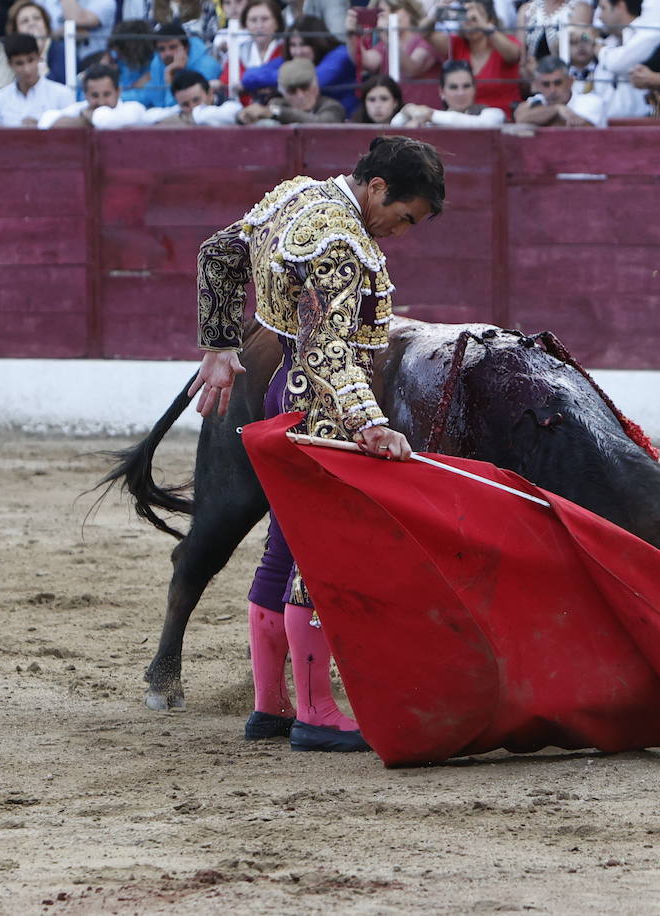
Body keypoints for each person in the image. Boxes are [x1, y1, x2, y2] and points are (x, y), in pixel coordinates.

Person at [190, 135, 445, 752]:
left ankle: (271, 707)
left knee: (283, 547)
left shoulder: (299, 195)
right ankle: (316, 711)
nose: (400, 233)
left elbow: (219, 252)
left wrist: (221, 344)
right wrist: (370, 424)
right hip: (321, 404)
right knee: (318, 558)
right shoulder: (341, 243)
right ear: (377, 188)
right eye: (403, 217)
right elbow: (330, 350)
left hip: (283, 388)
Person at [421, 0, 522, 116]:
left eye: (475, 18)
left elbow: (514, 55)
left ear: (491, 19)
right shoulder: (456, 44)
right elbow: (424, 33)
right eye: (465, 16)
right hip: (463, 120)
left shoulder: (505, 42)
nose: (470, 22)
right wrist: (436, 13)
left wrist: (483, 25)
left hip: (502, 120)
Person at [243, 14, 353, 114]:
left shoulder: (340, 54)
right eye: (293, 45)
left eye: (304, 44)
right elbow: (249, 77)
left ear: (318, 42)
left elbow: (315, 79)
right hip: (303, 119)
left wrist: (280, 82)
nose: (298, 51)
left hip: (342, 120)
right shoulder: (291, 59)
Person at [346, 0, 440, 107]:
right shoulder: (384, 44)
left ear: (409, 10)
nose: (389, 16)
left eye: (393, 10)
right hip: (396, 114)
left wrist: (386, 36)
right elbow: (365, 61)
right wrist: (351, 35)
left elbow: (412, 69)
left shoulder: (426, 39)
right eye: (382, 12)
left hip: (424, 112)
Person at [391, 57, 506, 124]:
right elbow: (395, 124)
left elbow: (483, 124)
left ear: (474, 88)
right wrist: (407, 110)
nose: (460, 93)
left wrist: (429, 114)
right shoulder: (429, 118)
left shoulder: (493, 114)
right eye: (453, 87)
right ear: (441, 92)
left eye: (466, 86)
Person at [0, 32, 73, 124]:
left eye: (31, 60)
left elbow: (70, 135)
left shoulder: (62, 94)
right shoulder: (0, 98)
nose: (27, 69)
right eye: (19, 63)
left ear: (39, 57)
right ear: (10, 64)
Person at [38, 60, 149, 125]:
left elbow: (106, 121)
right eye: (95, 95)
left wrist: (88, 118)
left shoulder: (134, 108)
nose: (101, 102)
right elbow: (46, 121)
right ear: (86, 95)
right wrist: (82, 118)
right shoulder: (82, 108)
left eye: (106, 94)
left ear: (118, 91)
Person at [237, 54, 343, 120]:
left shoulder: (332, 107)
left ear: (315, 86)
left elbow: (320, 124)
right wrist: (245, 116)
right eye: (292, 91)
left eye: (305, 87)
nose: (300, 95)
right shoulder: (277, 104)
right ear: (284, 93)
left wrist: (274, 113)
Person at [594, 0, 654, 118]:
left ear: (620, 6)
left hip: (643, 125)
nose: (599, 16)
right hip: (606, 125)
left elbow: (618, 63)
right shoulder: (607, 42)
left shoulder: (646, 33)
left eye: (603, 8)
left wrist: (597, 49)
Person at [513, 53, 606, 125]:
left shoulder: (592, 101)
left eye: (558, 83)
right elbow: (520, 118)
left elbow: (579, 127)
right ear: (537, 85)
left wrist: (539, 116)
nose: (552, 90)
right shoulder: (537, 100)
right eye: (546, 84)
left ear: (570, 82)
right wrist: (557, 109)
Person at [514, 0, 592, 83]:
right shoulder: (527, 10)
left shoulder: (579, 8)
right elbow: (521, 60)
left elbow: (579, 50)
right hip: (532, 81)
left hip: (568, 79)